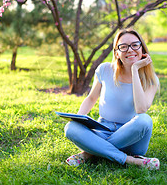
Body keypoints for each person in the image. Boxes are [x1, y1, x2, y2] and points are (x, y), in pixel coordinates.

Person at [64, 28, 160, 170]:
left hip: (132, 136)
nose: (130, 50)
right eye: (123, 46)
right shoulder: (105, 69)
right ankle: (129, 160)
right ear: (116, 53)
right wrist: (79, 119)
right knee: (70, 128)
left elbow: (141, 109)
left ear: (142, 48)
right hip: (103, 129)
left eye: (135, 45)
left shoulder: (151, 80)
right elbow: (91, 98)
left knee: (145, 120)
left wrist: (135, 70)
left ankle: (90, 153)